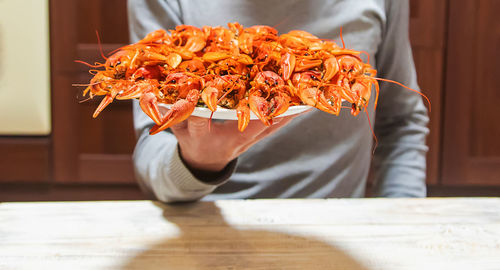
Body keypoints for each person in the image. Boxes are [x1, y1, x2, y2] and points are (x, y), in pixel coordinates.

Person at [128, 0, 429, 202]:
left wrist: (402, 217)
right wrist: (198, 164)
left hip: (337, 228)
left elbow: (401, 122)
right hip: (209, 223)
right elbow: (150, 148)